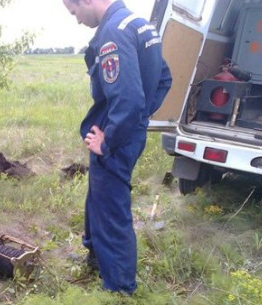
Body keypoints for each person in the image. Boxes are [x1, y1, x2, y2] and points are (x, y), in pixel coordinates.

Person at [62, 0, 172, 295]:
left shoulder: (114, 31)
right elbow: (164, 78)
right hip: (126, 130)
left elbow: (129, 98)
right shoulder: (138, 24)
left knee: (111, 208)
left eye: (74, 12)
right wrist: (140, 119)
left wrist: (109, 140)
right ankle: (96, 256)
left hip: (116, 135)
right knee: (98, 197)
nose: (77, 20)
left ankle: (119, 287)